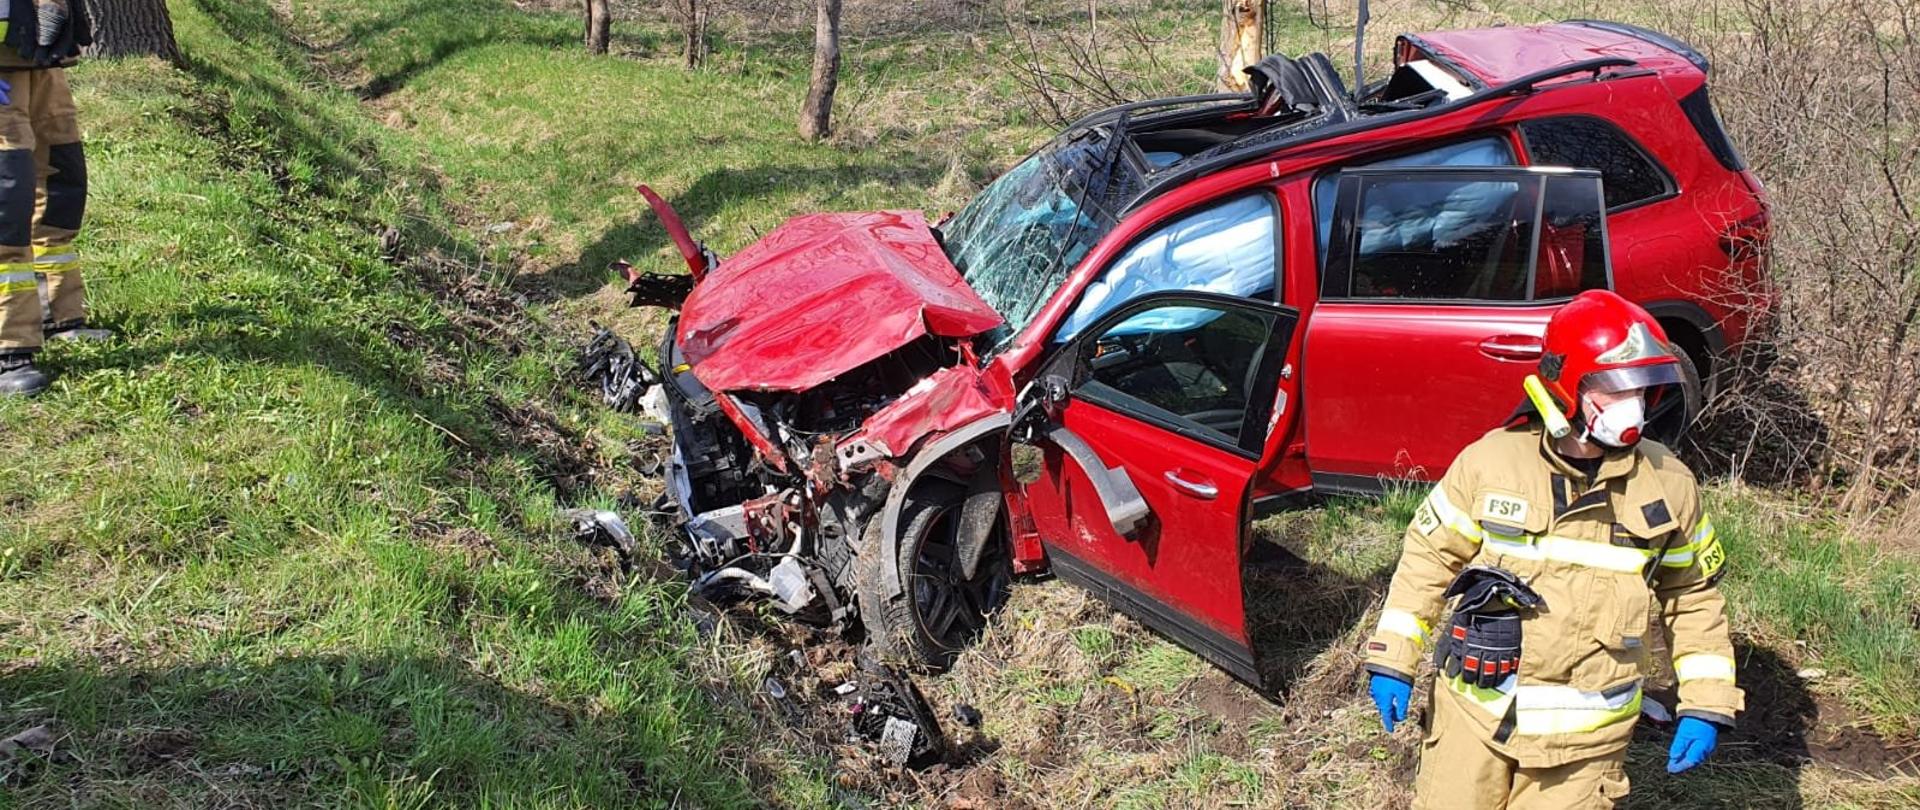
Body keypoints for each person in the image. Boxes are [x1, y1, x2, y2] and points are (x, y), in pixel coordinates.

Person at [1362, 289, 1741, 809]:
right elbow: (1428, 558)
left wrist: (1706, 701)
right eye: (1615, 388)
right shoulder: (1490, 463)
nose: (1632, 405)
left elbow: (1693, 597)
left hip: (1584, 752)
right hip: (1474, 721)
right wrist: (1393, 659)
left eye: (1641, 388)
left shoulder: (1669, 486)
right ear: (1566, 386)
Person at [1, 0, 104, 397]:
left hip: (39, 58)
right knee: (7, 199)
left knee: (61, 184)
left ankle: (58, 313)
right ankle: (8, 348)